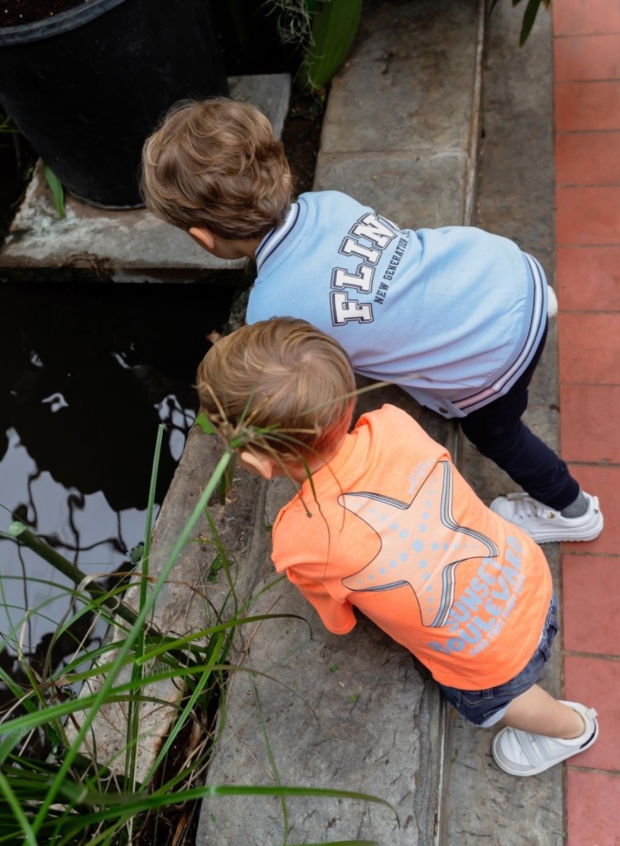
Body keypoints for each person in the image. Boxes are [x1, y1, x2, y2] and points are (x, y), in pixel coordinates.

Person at [141, 97, 603, 544]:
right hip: (508, 271)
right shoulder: (328, 203)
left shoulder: (271, 314)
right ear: (277, 167)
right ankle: (537, 307)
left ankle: (573, 511)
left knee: (496, 435)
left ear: (202, 238)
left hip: (497, 356)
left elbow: (316, 381)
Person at [195, 317, 598, 776]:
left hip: (491, 659)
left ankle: (572, 728)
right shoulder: (393, 423)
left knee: (495, 703)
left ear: (257, 462)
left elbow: (340, 619)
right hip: (528, 571)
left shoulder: (297, 539)